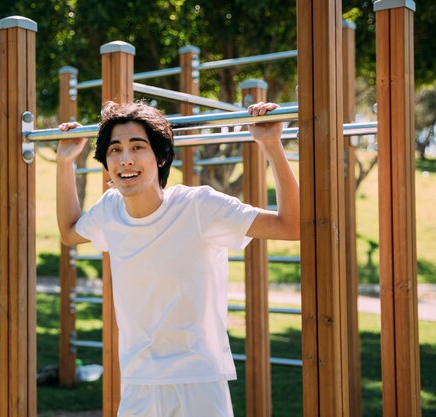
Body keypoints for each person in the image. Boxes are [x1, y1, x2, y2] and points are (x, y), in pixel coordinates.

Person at [56, 101, 299, 417]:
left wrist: (271, 145)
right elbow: (69, 231)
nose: (125, 159)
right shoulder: (109, 209)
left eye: (137, 146)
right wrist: (64, 163)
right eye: (115, 149)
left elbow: (292, 225)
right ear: (106, 162)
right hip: (138, 381)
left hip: (197, 380)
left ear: (161, 156)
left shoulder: (199, 206)